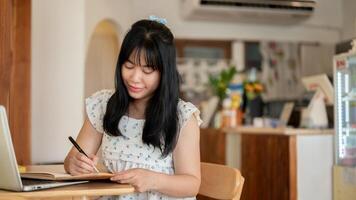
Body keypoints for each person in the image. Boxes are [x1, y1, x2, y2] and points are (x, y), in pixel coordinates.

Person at [64, 17, 202, 200]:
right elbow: (72, 159)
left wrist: (153, 180)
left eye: (147, 71)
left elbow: (192, 184)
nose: (135, 78)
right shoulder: (103, 105)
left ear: (165, 72)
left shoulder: (182, 117)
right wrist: (74, 164)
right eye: (129, 65)